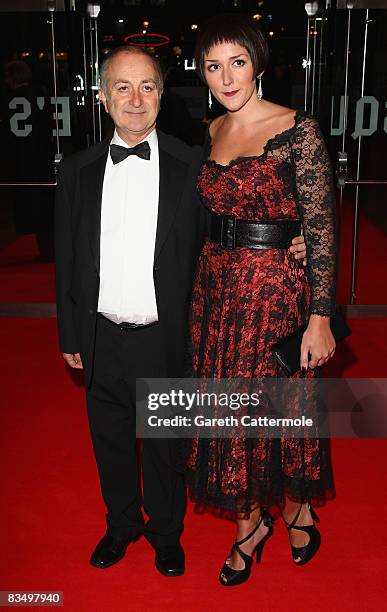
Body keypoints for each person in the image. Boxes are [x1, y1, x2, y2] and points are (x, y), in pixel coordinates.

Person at [55, 45, 307, 577]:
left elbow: (242, 209)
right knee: (111, 439)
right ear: (102, 97)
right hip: (98, 334)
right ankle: (120, 525)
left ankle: (166, 535)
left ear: (162, 95)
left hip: (165, 333)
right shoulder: (76, 171)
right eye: (121, 87)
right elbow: (67, 260)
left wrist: (296, 233)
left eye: (147, 86)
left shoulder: (191, 163)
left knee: (164, 444)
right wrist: (69, 334)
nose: (135, 98)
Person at [184, 14, 337, 586]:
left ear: (259, 65)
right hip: (216, 291)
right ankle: (255, 520)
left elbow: (320, 230)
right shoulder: (211, 129)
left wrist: (319, 319)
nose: (226, 77)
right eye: (213, 65)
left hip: (274, 291)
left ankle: (288, 510)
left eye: (237, 62)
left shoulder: (299, 130)